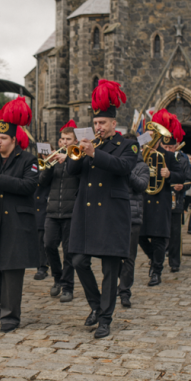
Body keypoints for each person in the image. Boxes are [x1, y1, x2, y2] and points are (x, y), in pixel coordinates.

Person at [67, 80, 137, 339]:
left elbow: (123, 168)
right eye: (96, 123)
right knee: (78, 260)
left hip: (111, 213)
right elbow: (70, 172)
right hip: (86, 214)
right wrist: (74, 152)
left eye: (103, 123)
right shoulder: (86, 146)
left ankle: (105, 318)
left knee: (110, 268)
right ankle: (96, 306)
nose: (98, 127)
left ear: (113, 125)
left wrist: (94, 153)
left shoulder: (128, 145)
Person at [0, 97, 40, 333]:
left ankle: (11, 316)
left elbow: (29, 186)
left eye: (3, 139)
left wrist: (2, 180)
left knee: (11, 270)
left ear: (13, 140)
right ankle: (1, 306)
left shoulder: (28, 160)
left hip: (15, 221)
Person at [138, 110, 186, 287]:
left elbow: (181, 175)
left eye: (153, 137)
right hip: (144, 199)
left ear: (159, 140)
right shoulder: (141, 155)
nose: (151, 140)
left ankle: (156, 272)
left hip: (161, 200)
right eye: (149, 136)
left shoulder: (167, 156)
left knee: (159, 239)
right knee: (140, 236)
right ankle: (153, 259)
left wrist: (170, 174)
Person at [39, 120, 80, 302]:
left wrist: (70, 159)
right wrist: (49, 166)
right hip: (53, 210)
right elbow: (42, 182)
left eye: (68, 139)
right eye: (62, 139)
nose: (64, 142)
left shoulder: (79, 159)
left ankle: (68, 287)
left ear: (75, 141)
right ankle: (57, 277)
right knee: (48, 244)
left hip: (71, 211)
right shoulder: (54, 160)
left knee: (69, 251)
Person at [117, 133, 150, 308]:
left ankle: (124, 291)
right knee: (114, 256)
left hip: (133, 216)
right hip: (116, 215)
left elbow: (142, 186)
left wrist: (126, 170)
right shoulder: (116, 162)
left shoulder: (142, 166)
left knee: (129, 256)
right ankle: (122, 281)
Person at [164, 140, 191, 273]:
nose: (169, 149)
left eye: (171, 147)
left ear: (176, 146)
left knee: (175, 232)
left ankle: (174, 262)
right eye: (166, 147)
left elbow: (188, 178)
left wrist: (183, 186)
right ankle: (157, 259)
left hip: (176, 198)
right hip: (160, 199)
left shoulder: (182, 158)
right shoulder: (158, 156)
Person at [33, 173, 51, 280]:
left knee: (46, 241)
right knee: (39, 238)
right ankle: (41, 265)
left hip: (47, 203)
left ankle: (43, 266)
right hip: (36, 204)